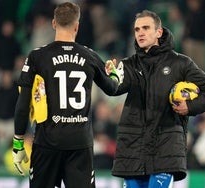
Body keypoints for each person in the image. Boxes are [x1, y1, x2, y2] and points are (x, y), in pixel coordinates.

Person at [11, 2, 123, 188]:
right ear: (77, 26)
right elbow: (112, 89)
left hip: (47, 142)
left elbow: (22, 103)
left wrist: (18, 144)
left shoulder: (37, 57)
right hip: (79, 143)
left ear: (53, 23)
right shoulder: (90, 56)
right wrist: (114, 75)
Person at [107, 10, 205, 188]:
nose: (140, 33)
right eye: (137, 29)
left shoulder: (180, 64)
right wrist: (111, 77)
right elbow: (115, 89)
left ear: (159, 32)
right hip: (133, 150)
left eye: (146, 28)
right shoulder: (128, 65)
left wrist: (190, 106)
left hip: (165, 149)